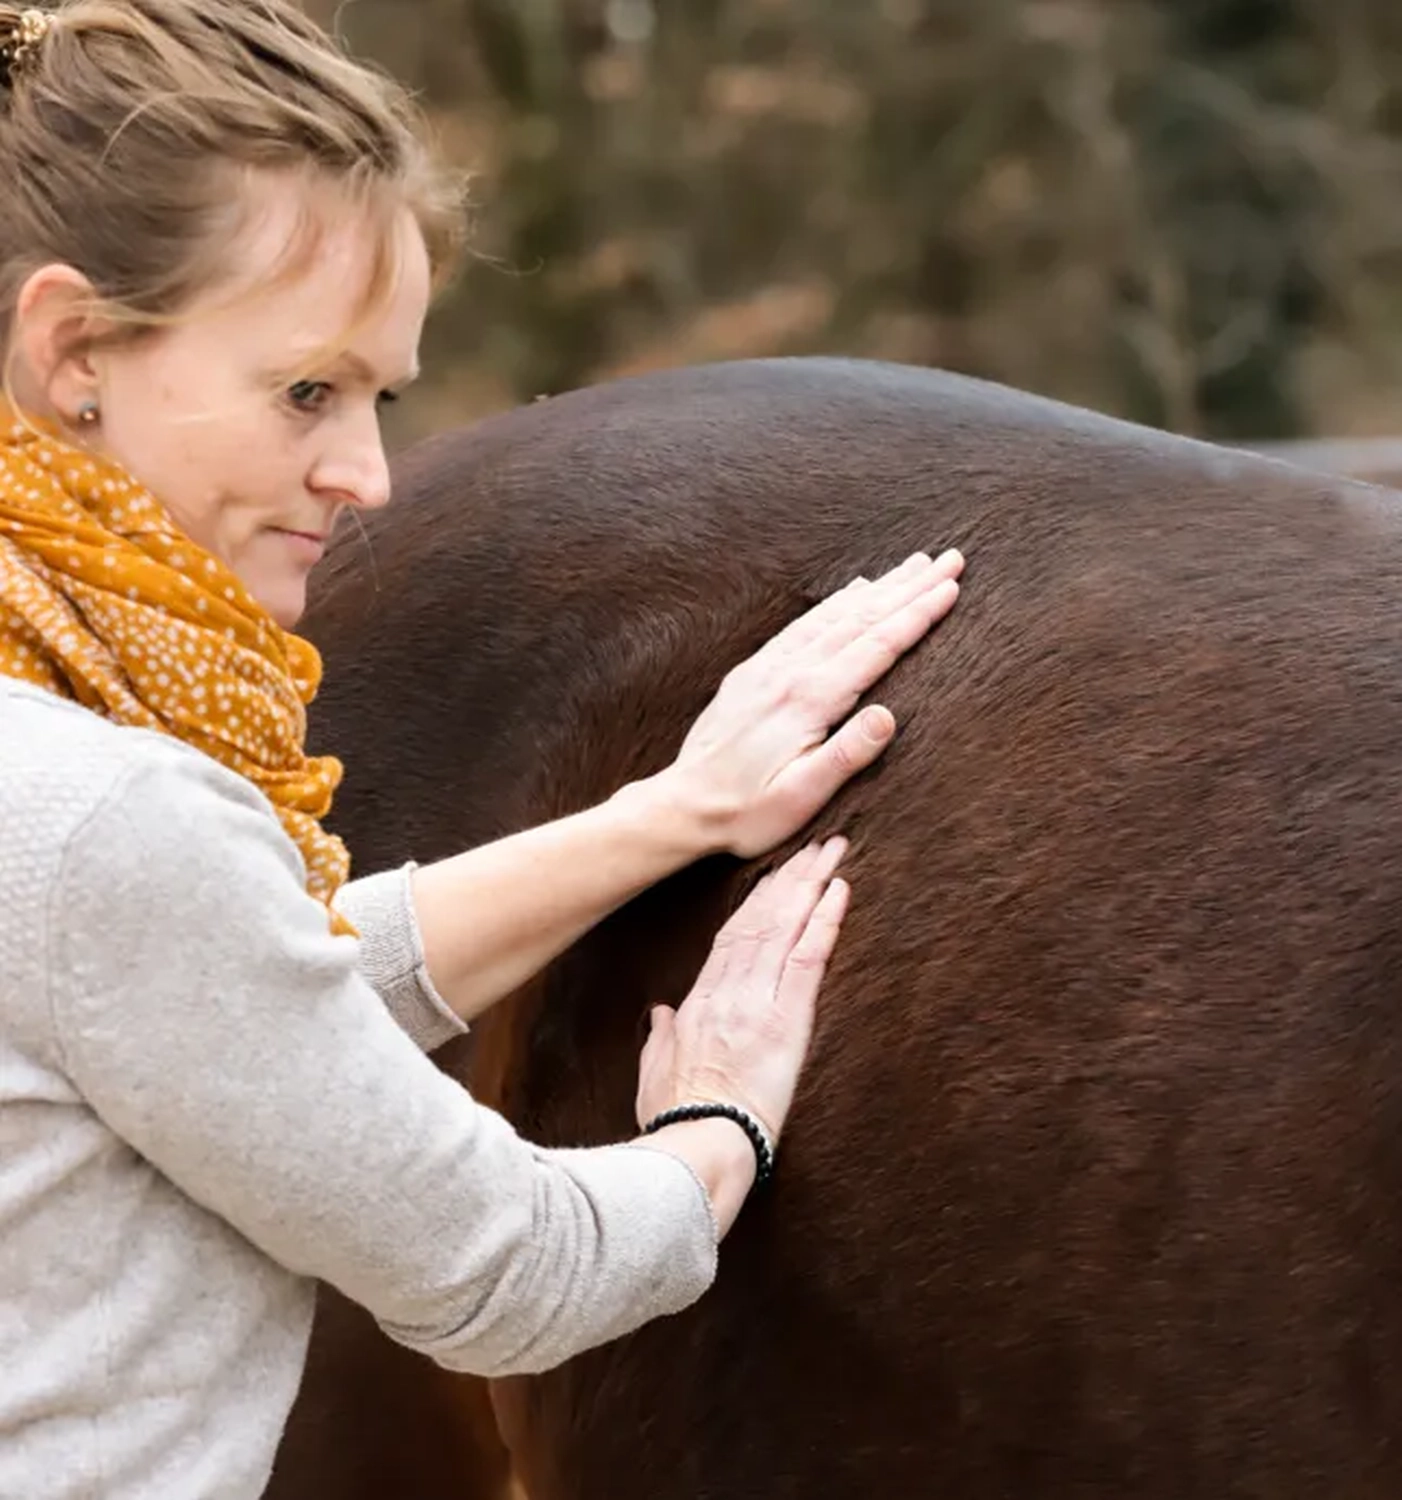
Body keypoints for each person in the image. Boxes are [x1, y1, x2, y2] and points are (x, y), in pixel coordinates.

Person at [0, 2, 964, 1495]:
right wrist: (715, 1133)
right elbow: (504, 1272)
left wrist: (666, 817)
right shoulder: (109, 816)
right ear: (72, 347)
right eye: (307, 389)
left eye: (383, 396)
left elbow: (223, 995)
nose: (369, 474)